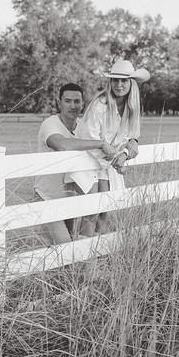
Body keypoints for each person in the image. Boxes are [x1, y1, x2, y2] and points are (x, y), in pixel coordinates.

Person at [69, 60, 150, 236]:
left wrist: (127, 151)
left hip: (107, 164)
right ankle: (86, 258)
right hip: (88, 161)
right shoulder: (100, 105)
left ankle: (100, 257)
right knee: (90, 213)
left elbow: (131, 136)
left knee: (105, 212)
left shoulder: (131, 108)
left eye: (124, 81)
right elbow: (89, 139)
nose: (118, 85)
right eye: (115, 80)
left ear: (132, 84)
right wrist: (116, 158)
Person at [34, 83, 117, 243]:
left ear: (83, 104)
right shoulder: (50, 124)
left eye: (77, 101)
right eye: (67, 101)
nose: (73, 106)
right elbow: (61, 145)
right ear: (59, 103)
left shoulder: (85, 128)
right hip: (48, 199)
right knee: (66, 247)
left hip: (74, 203)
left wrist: (133, 140)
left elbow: (116, 136)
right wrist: (100, 144)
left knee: (82, 247)